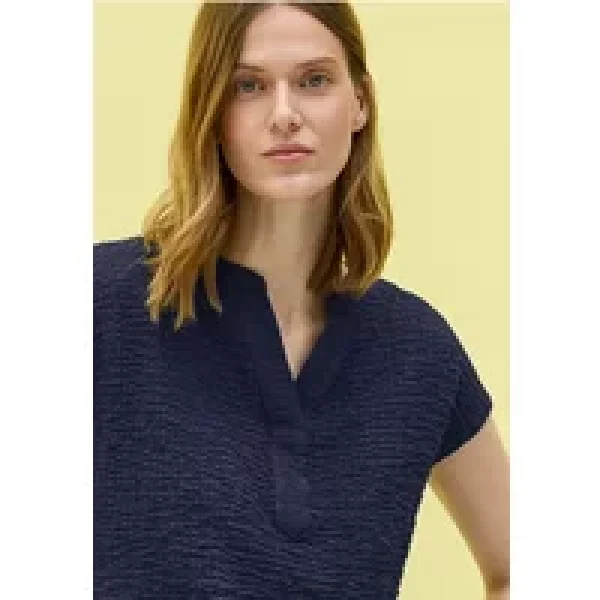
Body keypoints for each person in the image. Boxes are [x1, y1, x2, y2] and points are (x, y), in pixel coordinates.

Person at [94, 2, 510, 599]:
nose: (285, 114)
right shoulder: (98, 304)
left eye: (314, 80)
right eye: (249, 86)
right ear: (210, 110)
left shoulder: (417, 351)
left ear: (360, 101)